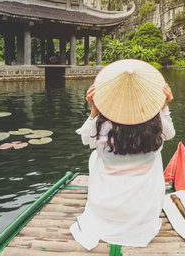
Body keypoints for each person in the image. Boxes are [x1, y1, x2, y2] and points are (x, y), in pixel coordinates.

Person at [70, 59, 175, 250]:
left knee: (95, 156)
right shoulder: (155, 126)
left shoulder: (105, 125)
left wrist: (94, 110)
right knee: (153, 159)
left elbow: (87, 139)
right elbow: (171, 133)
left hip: (106, 209)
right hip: (143, 211)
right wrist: (163, 106)